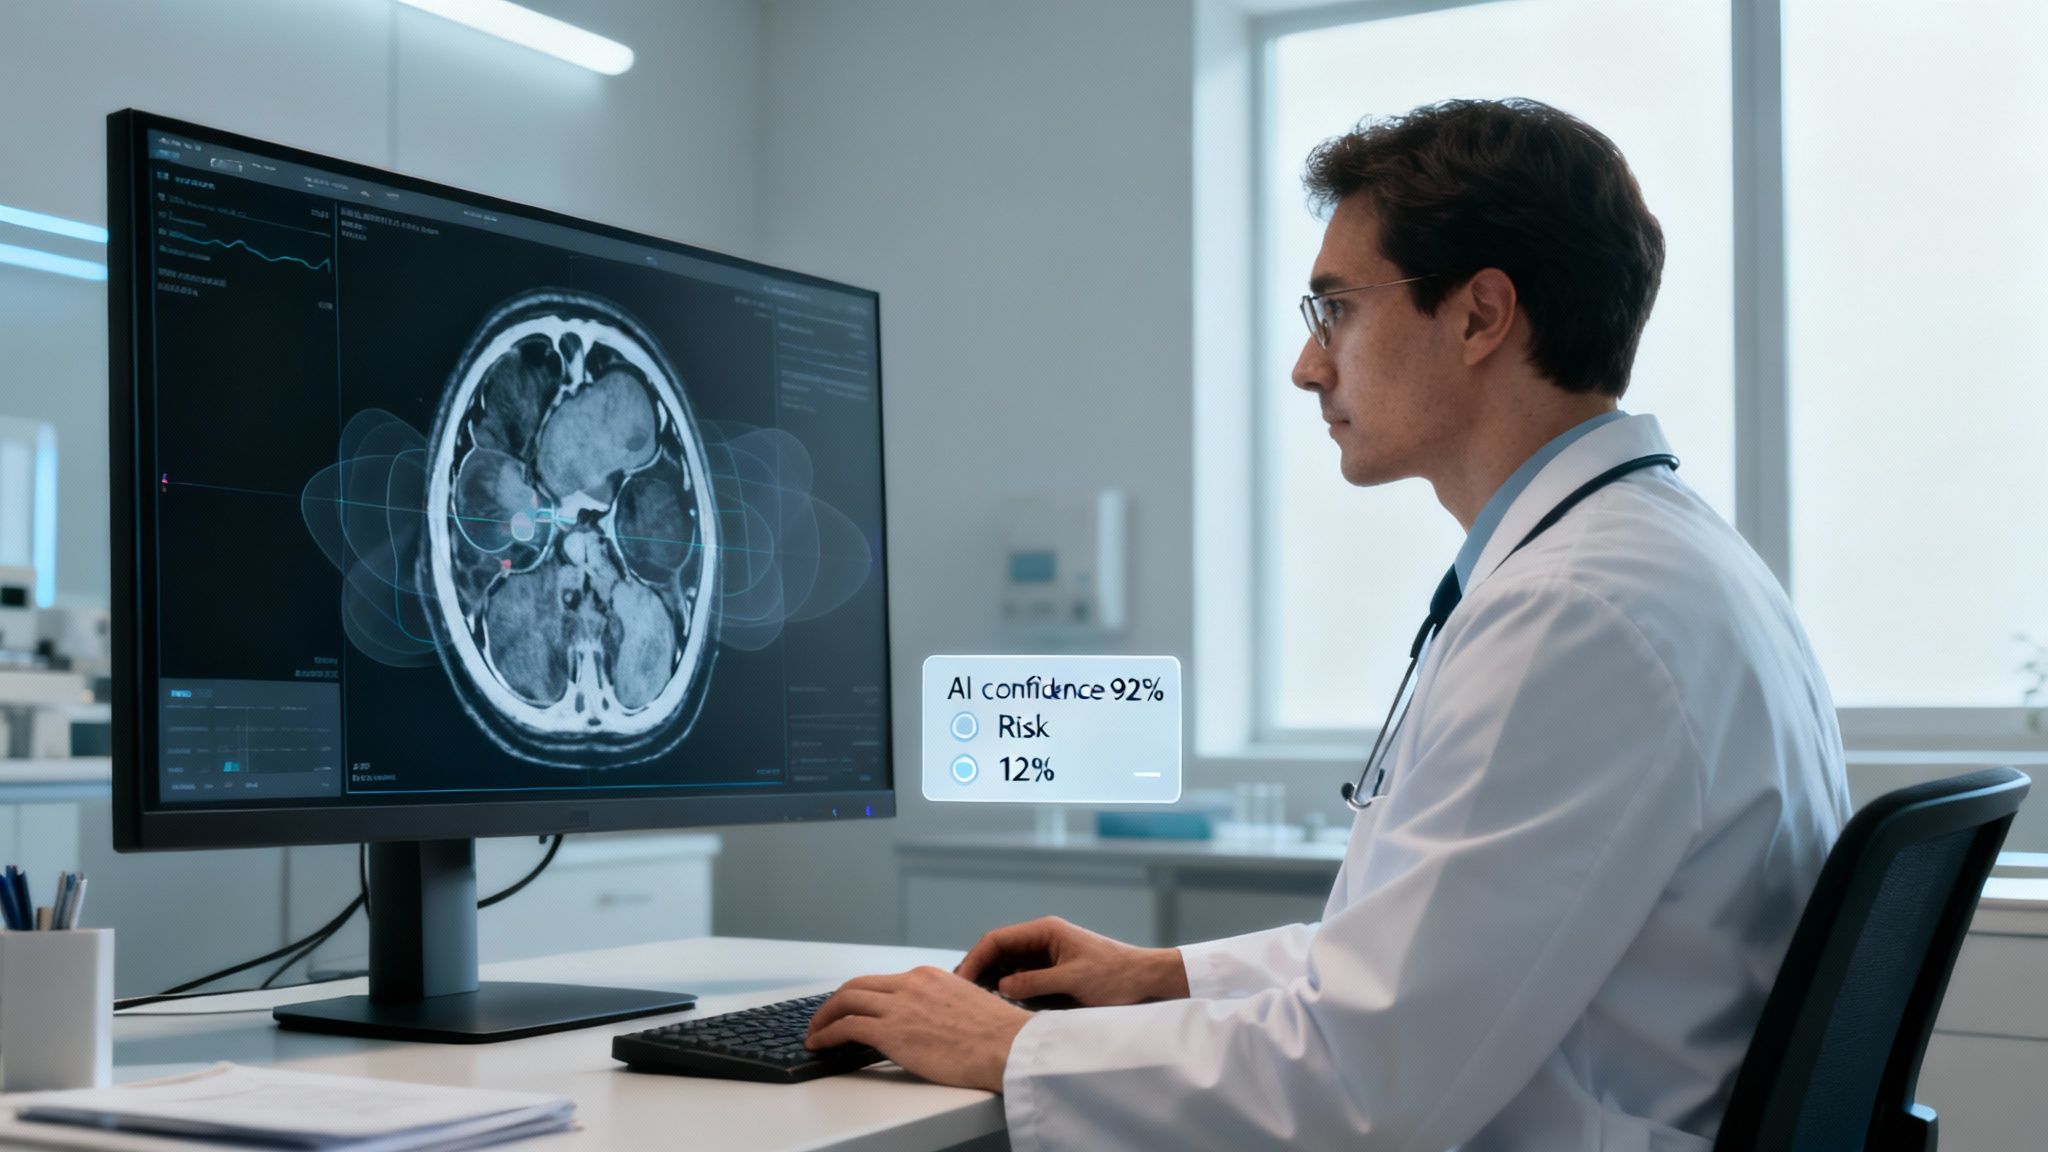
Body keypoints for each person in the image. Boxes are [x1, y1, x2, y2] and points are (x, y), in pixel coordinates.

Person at [806, 97, 1852, 1150]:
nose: (1309, 366)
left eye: (1334, 310)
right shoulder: (1655, 561)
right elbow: (1422, 963)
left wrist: (1012, 1048)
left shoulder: (1573, 614)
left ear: (1481, 315)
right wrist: (1162, 975)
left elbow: (1363, 1085)